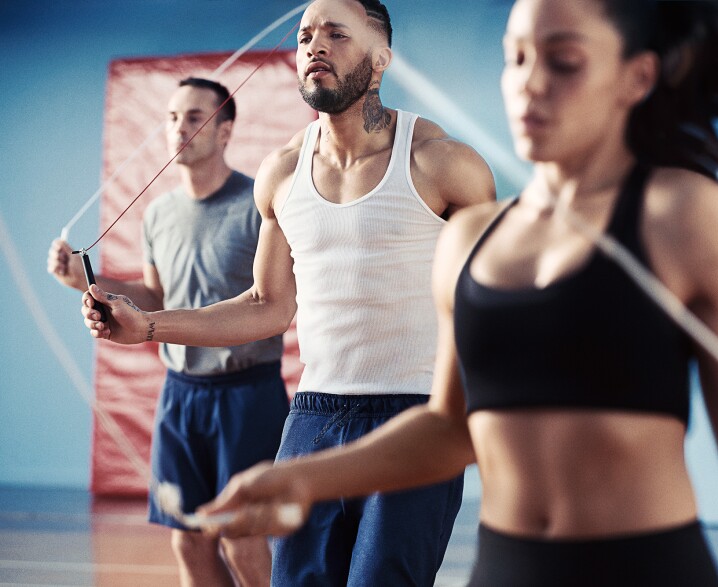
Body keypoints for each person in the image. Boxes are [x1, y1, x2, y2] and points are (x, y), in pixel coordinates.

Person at [169, 1, 718, 586]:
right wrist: (301, 477)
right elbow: (448, 427)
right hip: (508, 566)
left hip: (650, 563)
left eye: (563, 60)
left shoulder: (684, 215)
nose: (529, 83)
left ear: (634, 78)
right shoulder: (470, 236)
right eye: (514, 58)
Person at [77, 0, 497, 585]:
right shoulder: (281, 174)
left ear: (380, 62)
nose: (314, 45)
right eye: (304, 36)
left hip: (414, 415)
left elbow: (495, 304)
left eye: (335, 34)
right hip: (314, 417)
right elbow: (265, 305)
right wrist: (147, 326)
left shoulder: (443, 163)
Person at [48, 77, 288, 586]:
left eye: (195, 117)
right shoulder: (158, 214)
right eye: (172, 116)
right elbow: (156, 300)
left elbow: (271, 302)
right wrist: (84, 280)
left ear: (225, 132)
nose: (180, 127)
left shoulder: (259, 207)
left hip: (247, 393)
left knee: (242, 541)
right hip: (181, 396)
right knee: (188, 540)